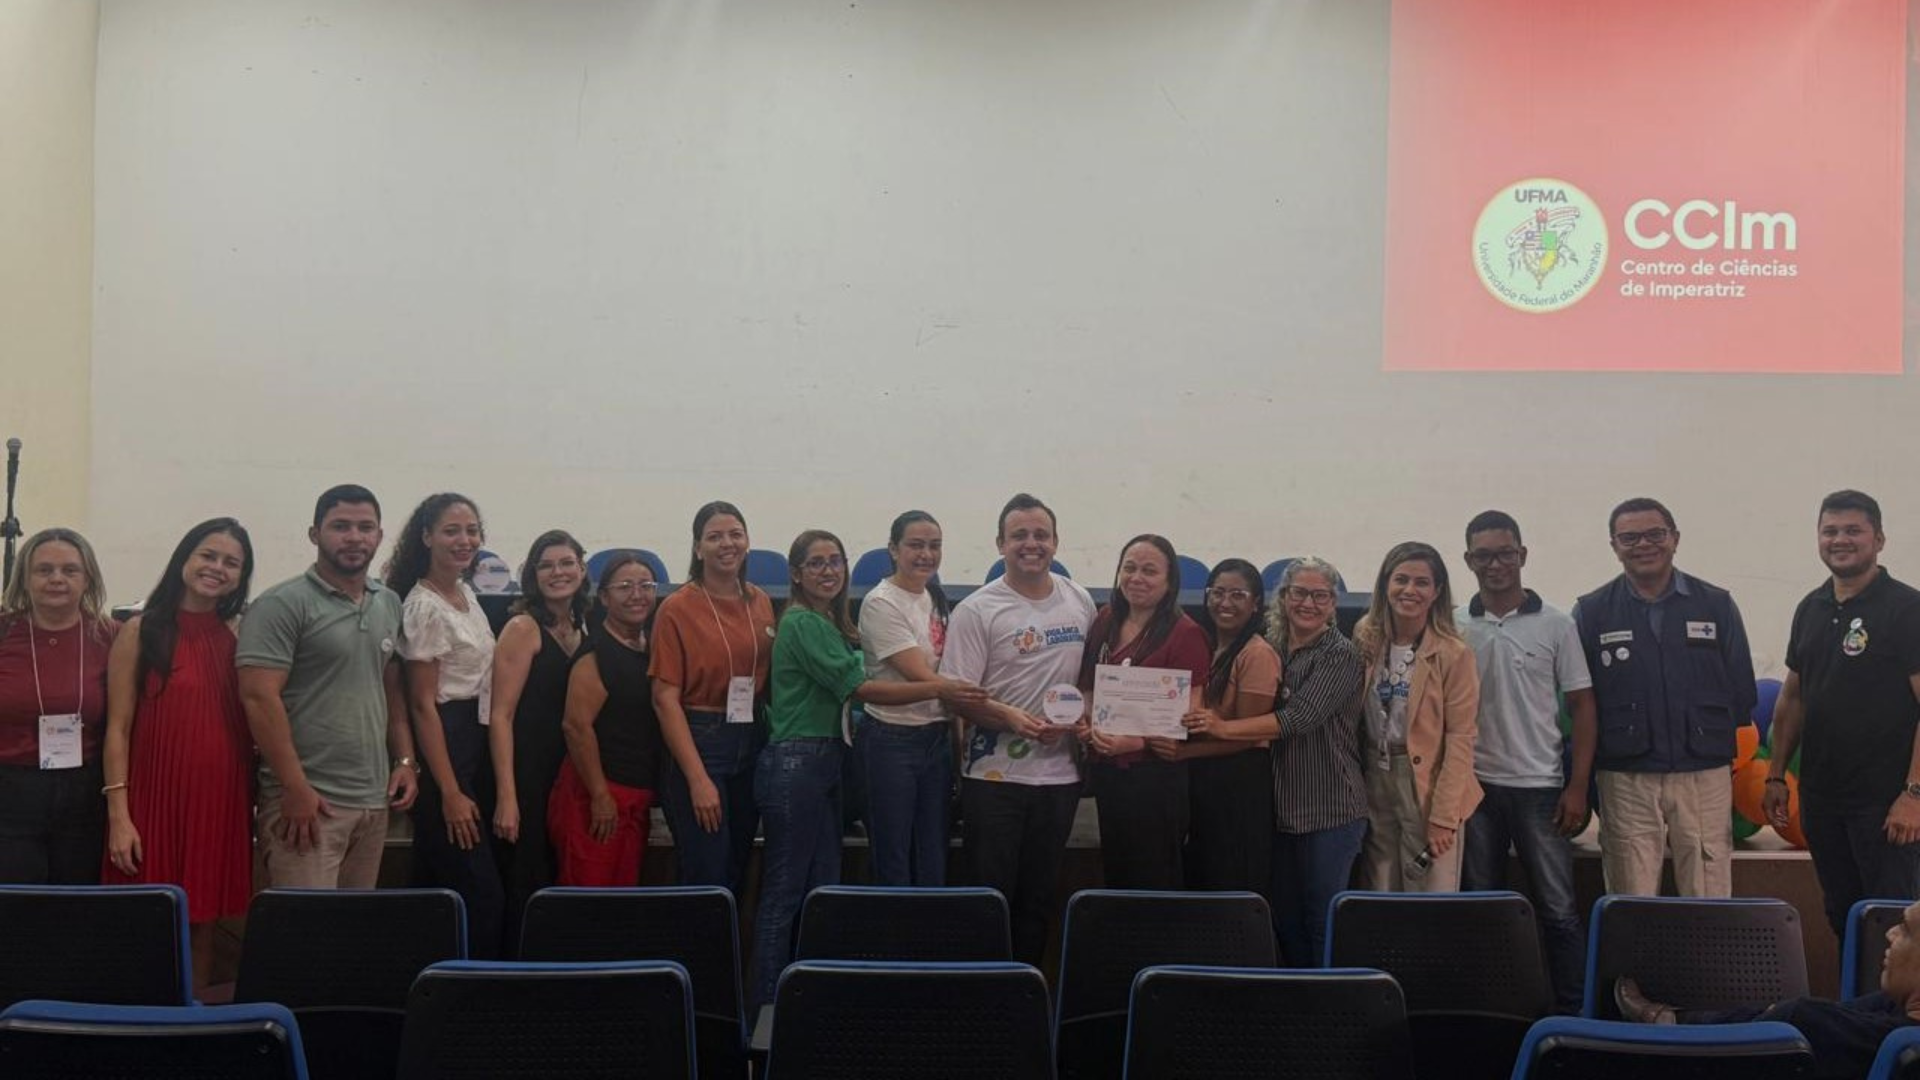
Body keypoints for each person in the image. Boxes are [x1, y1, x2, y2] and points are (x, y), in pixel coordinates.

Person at [750, 529, 984, 1007]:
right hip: (798, 761)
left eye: (835, 560)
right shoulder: (803, 624)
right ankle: (765, 1010)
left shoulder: (833, 622)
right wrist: (944, 690)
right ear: (795, 574)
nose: (829, 570)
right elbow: (863, 690)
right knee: (784, 894)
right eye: (815, 563)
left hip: (828, 760)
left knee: (822, 889)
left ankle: (810, 997)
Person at [940, 493, 1096, 967]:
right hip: (994, 778)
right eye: (1020, 536)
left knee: (1038, 899)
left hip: (1060, 779)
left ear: (1055, 541)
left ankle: (1024, 992)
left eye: (1041, 535)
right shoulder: (977, 610)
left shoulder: (1080, 600)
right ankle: (985, 994)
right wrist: (1010, 718)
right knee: (991, 899)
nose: (1032, 544)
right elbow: (954, 694)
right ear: (1000, 544)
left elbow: (1089, 681)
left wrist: (1082, 714)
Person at [1186, 556, 1364, 966]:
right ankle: (1295, 1001)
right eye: (1299, 593)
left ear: (1334, 603)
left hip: (1330, 809)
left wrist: (1221, 728)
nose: (1308, 603)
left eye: (1320, 595)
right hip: (1281, 811)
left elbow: (1299, 718)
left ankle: (1327, 1008)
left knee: (1323, 920)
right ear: (1283, 598)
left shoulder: (1341, 654)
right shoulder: (1275, 645)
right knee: (1284, 920)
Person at [100, 518, 255, 992]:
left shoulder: (241, 636)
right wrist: (119, 816)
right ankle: (135, 1033)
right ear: (184, 559)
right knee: (141, 921)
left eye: (231, 562)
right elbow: (118, 728)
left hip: (217, 801)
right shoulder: (140, 631)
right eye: (208, 555)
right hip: (153, 799)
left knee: (202, 923)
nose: (217, 568)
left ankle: (192, 1031)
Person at [238, 484, 418, 890]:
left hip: (372, 800)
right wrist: (295, 787)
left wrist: (405, 761)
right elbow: (258, 698)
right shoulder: (281, 604)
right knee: (305, 942)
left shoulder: (388, 602)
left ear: (379, 536)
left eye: (365, 527)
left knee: (348, 940)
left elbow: (391, 689)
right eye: (340, 526)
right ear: (314, 534)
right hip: (308, 804)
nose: (354, 537)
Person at [1576, 497, 1756, 897]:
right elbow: (1580, 699)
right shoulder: (1591, 612)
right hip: (1626, 774)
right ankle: (1635, 964)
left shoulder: (1716, 604)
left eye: (1655, 534)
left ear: (1675, 539)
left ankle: (1707, 963)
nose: (1644, 544)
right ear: (1614, 545)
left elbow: (1740, 686)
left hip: (1702, 772)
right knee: (1630, 892)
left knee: (1708, 889)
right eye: (1630, 537)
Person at [1455, 511, 1595, 1013]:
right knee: (1481, 908)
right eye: (1484, 555)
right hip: (1475, 791)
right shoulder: (1455, 623)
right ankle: (1492, 1009)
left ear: (1523, 555)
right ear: (1469, 560)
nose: (1496, 564)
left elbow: (1582, 706)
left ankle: (1575, 1012)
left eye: (1506, 553)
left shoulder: (1558, 624)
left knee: (1559, 910)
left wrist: (1577, 786)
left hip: (1541, 788)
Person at [1767, 490, 1920, 940]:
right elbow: (1793, 697)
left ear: (1879, 539)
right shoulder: (1810, 609)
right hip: (1823, 798)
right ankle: (1855, 1007)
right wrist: (1775, 774)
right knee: (1843, 915)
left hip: (1888, 803)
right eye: (1830, 531)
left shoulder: (1907, 609)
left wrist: (1914, 794)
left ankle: (1898, 1012)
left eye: (1853, 530)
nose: (1840, 540)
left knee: (1896, 924)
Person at [1614, 896, 1920, 1080]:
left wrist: (1791, 1017)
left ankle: (1670, 1026)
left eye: (1905, 930)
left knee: (1800, 1018)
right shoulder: (1890, 1008)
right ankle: (1676, 1021)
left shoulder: (1854, 1036)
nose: (1890, 934)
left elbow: (1813, 1020)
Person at [389, 492, 503, 957]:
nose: (464, 540)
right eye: (452, 530)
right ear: (426, 536)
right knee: (482, 896)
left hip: (474, 744)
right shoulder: (424, 606)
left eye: (472, 530)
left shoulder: (465, 592)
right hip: (446, 752)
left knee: (436, 889)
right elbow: (421, 706)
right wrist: (451, 791)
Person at [650, 501, 775, 893]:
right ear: (698, 547)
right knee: (707, 875)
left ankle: (730, 955)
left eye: (735, 534)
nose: (727, 543)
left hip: (750, 738)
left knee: (737, 869)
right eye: (715, 536)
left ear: (748, 542)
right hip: (700, 743)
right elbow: (663, 699)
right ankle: (696, 956)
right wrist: (697, 778)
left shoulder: (760, 601)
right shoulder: (676, 608)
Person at [1075, 535, 1210, 890]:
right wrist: (1088, 723)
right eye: (1129, 568)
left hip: (1154, 778)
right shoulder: (1106, 618)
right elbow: (1089, 685)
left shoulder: (1186, 634)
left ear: (1169, 583)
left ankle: (1155, 946)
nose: (1137, 578)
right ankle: (1123, 945)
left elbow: (1188, 712)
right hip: (1109, 773)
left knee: (1153, 876)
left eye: (1150, 571)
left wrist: (1131, 741)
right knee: (1117, 870)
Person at [1352, 542, 1481, 892]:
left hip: (1428, 782)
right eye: (1401, 580)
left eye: (1422, 582)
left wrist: (1444, 816)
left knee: (1429, 891)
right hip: (1376, 774)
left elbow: (1461, 739)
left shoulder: (1454, 653)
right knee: (1380, 886)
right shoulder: (1366, 636)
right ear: (1385, 585)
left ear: (1437, 591)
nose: (1409, 590)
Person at [488, 530, 591, 949]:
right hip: (525, 778)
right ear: (532, 574)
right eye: (546, 565)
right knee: (523, 889)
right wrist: (506, 797)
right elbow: (500, 715)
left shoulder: (583, 628)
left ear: (582, 570)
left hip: (562, 781)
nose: (558, 572)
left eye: (566, 563)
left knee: (554, 885)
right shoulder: (522, 627)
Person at [0, 528, 117, 883]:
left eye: (69, 570)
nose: (56, 579)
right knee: (17, 907)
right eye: (44, 570)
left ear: (88, 578)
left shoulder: (112, 636)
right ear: (25, 578)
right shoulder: (4, 632)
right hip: (10, 790)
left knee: (75, 905)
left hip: (85, 790)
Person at [856, 510, 960, 886]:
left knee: (933, 852)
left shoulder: (935, 595)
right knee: (894, 856)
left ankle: (927, 941)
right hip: (891, 741)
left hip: (936, 737)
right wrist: (979, 700)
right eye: (915, 545)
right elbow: (924, 676)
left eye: (934, 546)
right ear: (893, 550)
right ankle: (893, 941)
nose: (926, 555)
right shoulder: (881, 602)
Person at [551, 552, 664, 888]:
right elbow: (576, 727)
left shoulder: (651, 647)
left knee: (623, 897)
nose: (637, 595)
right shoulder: (595, 654)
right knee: (589, 900)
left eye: (645, 585)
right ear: (604, 597)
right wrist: (600, 795)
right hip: (596, 797)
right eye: (625, 587)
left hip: (635, 795)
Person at [1177, 558, 1283, 894]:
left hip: (1239, 785)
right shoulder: (1205, 645)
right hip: (1205, 780)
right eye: (1218, 592)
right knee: (1201, 879)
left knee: (1231, 884)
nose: (1225, 602)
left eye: (1237, 595)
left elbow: (1246, 736)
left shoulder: (1258, 654)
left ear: (1255, 604)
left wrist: (1182, 753)